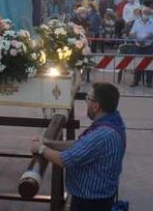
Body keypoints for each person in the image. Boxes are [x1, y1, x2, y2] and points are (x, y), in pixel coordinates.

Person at [29, 82, 125, 211]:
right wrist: (48, 142)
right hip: (96, 196)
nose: (86, 102)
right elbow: (80, 145)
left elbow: (66, 159)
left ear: (96, 106)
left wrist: (40, 149)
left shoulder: (103, 134)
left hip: (91, 200)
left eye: (88, 98)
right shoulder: (112, 120)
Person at [128, 7, 153, 88]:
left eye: (148, 14)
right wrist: (138, 39)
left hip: (148, 46)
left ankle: (149, 81)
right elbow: (132, 33)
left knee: (149, 64)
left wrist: (144, 40)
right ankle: (136, 80)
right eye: (145, 13)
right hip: (138, 46)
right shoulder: (137, 22)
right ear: (142, 14)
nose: (146, 15)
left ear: (150, 15)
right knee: (137, 63)